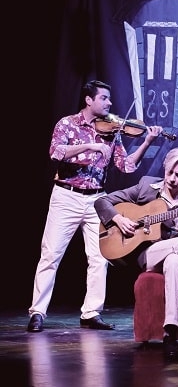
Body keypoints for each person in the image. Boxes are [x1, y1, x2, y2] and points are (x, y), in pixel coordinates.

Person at [28, 79, 164, 333]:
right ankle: (37, 311)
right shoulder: (67, 124)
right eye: (104, 98)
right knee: (51, 254)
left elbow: (126, 166)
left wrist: (147, 142)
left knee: (100, 256)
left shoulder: (112, 131)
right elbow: (56, 152)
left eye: (109, 98)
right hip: (67, 196)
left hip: (97, 199)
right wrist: (91, 145)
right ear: (89, 100)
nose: (110, 103)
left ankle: (91, 312)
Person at [94, 147, 178, 358]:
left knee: (175, 260)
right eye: (170, 172)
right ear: (165, 167)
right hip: (148, 254)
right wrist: (118, 219)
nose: (172, 179)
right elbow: (101, 201)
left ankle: (170, 333)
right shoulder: (146, 186)